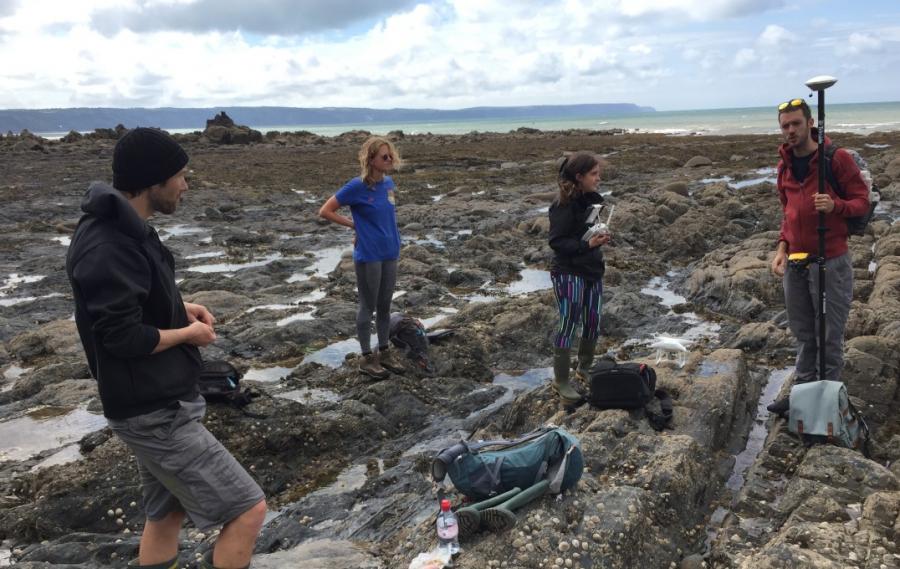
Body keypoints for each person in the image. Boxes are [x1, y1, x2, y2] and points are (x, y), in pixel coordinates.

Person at [66, 128, 266, 569]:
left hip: (156, 401)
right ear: (152, 179)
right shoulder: (108, 245)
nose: (186, 185)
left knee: (166, 513)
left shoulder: (124, 228)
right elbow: (120, 337)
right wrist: (188, 335)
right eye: (180, 175)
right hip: (154, 412)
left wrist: (180, 308)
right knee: (248, 511)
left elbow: (133, 303)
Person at [767, 98, 869, 414]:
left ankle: (824, 406)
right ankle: (803, 397)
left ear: (811, 123)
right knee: (803, 335)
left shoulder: (834, 159)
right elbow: (789, 214)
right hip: (796, 262)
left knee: (829, 337)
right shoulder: (784, 165)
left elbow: (862, 202)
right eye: (785, 125)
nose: (791, 131)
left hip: (832, 262)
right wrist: (781, 249)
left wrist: (836, 206)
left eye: (796, 123)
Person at [319, 136, 406, 379]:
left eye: (391, 156)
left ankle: (385, 351)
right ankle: (367, 357)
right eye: (384, 156)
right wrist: (354, 226)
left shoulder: (388, 183)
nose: (389, 160)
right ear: (371, 159)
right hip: (369, 254)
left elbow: (385, 217)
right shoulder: (356, 186)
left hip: (390, 251)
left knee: (385, 306)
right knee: (368, 306)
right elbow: (325, 210)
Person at [547, 153, 611, 408]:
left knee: (593, 319)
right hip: (568, 272)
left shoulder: (592, 202)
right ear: (579, 176)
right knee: (569, 321)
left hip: (591, 269)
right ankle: (561, 380)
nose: (599, 178)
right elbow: (557, 242)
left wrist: (599, 237)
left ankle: (585, 367)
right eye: (594, 174)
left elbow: (585, 235)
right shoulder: (562, 205)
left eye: (598, 173)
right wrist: (587, 245)